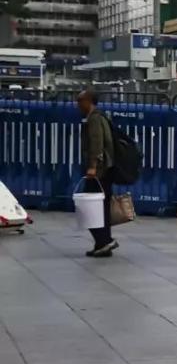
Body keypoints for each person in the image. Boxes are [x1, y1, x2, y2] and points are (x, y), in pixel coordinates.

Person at [76, 89, 116, 258]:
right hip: (105, 169)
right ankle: (102, 242)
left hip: (99, 171)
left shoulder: (94, 119)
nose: (77, 105)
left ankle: (104, 240)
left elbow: (96, 143)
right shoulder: (101, 116)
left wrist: (93, 166)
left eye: (80, 101)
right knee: (100, 206)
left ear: (89, 101)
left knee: (91, 207)